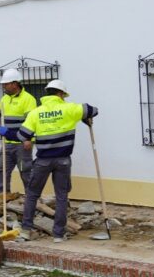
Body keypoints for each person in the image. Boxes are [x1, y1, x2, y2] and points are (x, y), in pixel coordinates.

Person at [16, 80, 98, 243]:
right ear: (61, 94)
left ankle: (26, 231)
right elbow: (93, 110)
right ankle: (58, 235)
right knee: (61, 196)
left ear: (47, 93)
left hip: (42, 161)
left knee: (32, 194)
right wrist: (84, 118)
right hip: (63, 160)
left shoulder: (36, 113)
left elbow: (22, 135)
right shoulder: (69, 109)